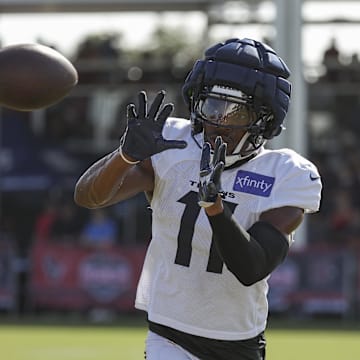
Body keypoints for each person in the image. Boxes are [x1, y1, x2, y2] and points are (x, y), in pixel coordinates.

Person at [74, 38, 322, 360]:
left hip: (238, 341)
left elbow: (251, 267)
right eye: (212, 106)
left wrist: (215, 206)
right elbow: (88, 197)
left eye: (235, 112)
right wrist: (125, 156)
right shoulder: (172, 144)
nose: (218, 120)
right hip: (169, 334)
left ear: (264, 118)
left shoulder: (285, 173)